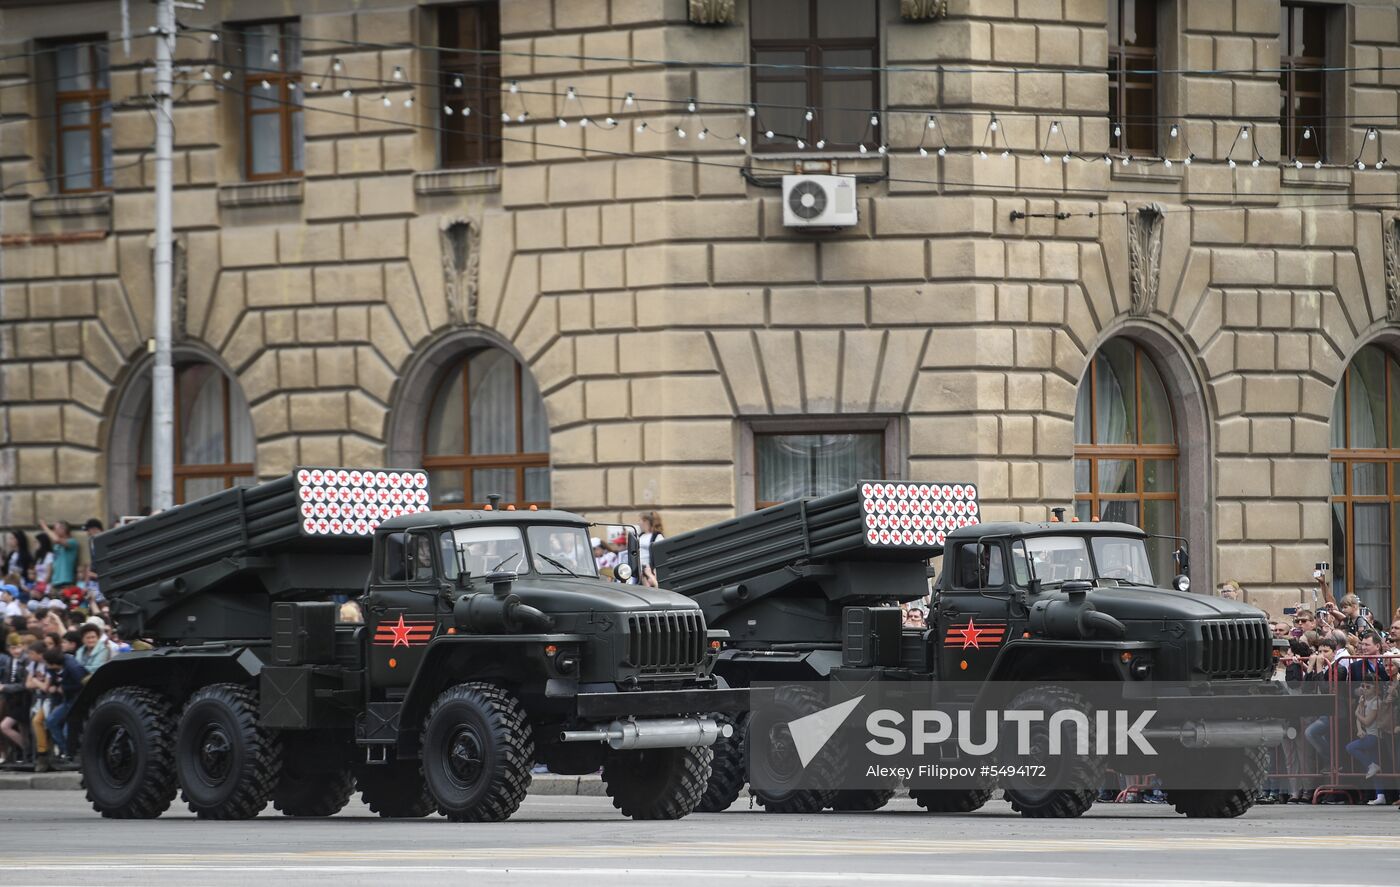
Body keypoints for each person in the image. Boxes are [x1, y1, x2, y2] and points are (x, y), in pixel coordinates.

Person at [39, 647, 83, 768]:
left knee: (69, 729)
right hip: (67, 700)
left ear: (53, 662)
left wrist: (64, 688)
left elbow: (82, 683)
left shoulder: (72, 667)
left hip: (77, 701)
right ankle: (66, 752)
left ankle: (74, 753)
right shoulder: (53, 669)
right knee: (51, 721)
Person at [38, 521, 79, 597]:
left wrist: (45, 528)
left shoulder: (72, 542)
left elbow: (57, 540)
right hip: (55, 583)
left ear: (63, 529)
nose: (54, 531)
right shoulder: (56, 546)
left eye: (55, 529)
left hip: (66, 583)